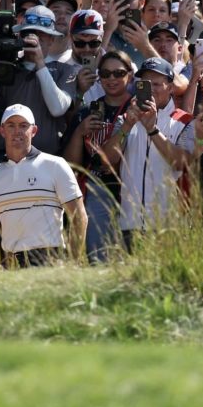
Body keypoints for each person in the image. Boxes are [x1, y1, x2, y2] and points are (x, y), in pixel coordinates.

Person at [0, 104, 86, 269]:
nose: (17, 131)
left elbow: (79, 217)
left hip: (51, 262)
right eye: (11, 125)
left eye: (23, 125)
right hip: (12, 265)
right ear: (2, 131)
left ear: (33, 131)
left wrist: (74, 262)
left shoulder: (55, 165)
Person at [103, 57, 194, 246]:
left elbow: (181, 164)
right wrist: (127, 125)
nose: (150, 89)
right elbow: (106, 161)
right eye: (145, 84)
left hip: (170, 225)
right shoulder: (125, 119)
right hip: (130, 224)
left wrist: (153, 130)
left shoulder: (186, 121)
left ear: (170, 88)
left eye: (157, 84)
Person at [63, 50, 134, 262]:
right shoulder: (88, 111)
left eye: (118, 73)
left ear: (130, 74)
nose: (111, 79)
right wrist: (79, 132)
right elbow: (71, 165)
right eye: (105, 74)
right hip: (97, 189)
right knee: (99, 259)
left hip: (133, 190)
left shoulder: (139, 108)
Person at [0, 5, 77, 158]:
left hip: (45, 160)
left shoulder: (65, 70)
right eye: (29, 33)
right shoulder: (5, 68)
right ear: (20, 36)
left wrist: (40, 63)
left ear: (52, 39)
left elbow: (57, 108)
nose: (35, 39)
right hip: (6, 158)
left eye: (42, 35)